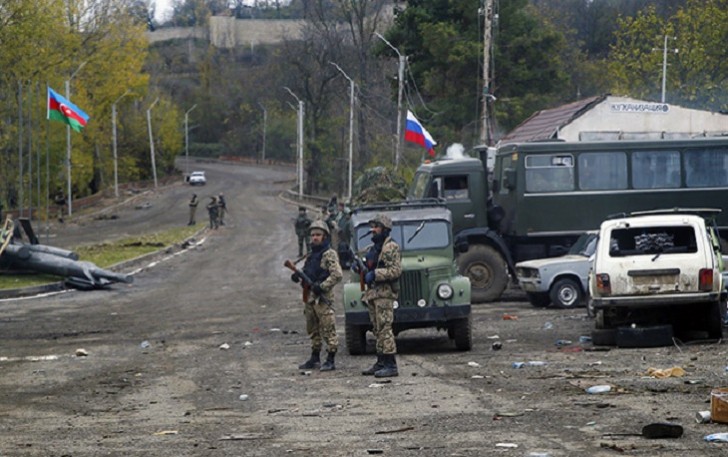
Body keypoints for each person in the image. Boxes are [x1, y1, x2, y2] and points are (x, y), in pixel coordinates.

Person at [291, 220, 342, 371]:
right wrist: (298, 276)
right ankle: (315, 357)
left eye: (318, 235)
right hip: (310, 297)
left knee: (328, 329)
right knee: (313, 329)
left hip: (323, 299)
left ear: (325, 236)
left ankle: (331, 359)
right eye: (313, 235)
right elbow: (308, 272)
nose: (314, 238)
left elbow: (337, 275)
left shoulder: (329, 254)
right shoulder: (312, 254)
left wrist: (322, 286)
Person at [359, 213, 401, 377]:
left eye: (376, 227)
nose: (373, 230)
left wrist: (375, 274)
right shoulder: (374, 249)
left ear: (385, 229)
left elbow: (395, 270)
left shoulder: (390, 247)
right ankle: (381, 361)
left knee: (385, 328)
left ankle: (391, 364)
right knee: (377, 329)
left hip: (384, 293)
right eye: (372, 227)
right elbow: (370, 265)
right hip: (373, 294)